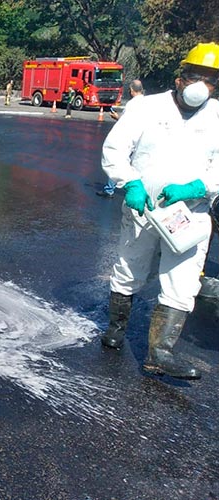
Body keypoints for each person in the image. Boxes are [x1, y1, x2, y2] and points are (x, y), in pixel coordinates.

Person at [99, 42, 219, 380]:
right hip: (143, 210)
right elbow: (115, 149)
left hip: (189, 215)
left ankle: (160, 353)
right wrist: (130, 182)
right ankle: (116, 329)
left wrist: (201, 187)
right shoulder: (146, 109)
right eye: (195, 76)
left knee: (181, 282)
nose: (201, 85)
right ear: (179, 77)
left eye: (210, 79)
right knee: (129, 267)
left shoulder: (217, 116)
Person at [98, 80, 146, 198]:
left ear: (131, 90)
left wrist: (116, 117)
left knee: (118, 162)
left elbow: (126, 123)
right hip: (142, 138)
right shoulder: (147, 103)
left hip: (130, 138)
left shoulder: (132, 104)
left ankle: (110, 189)